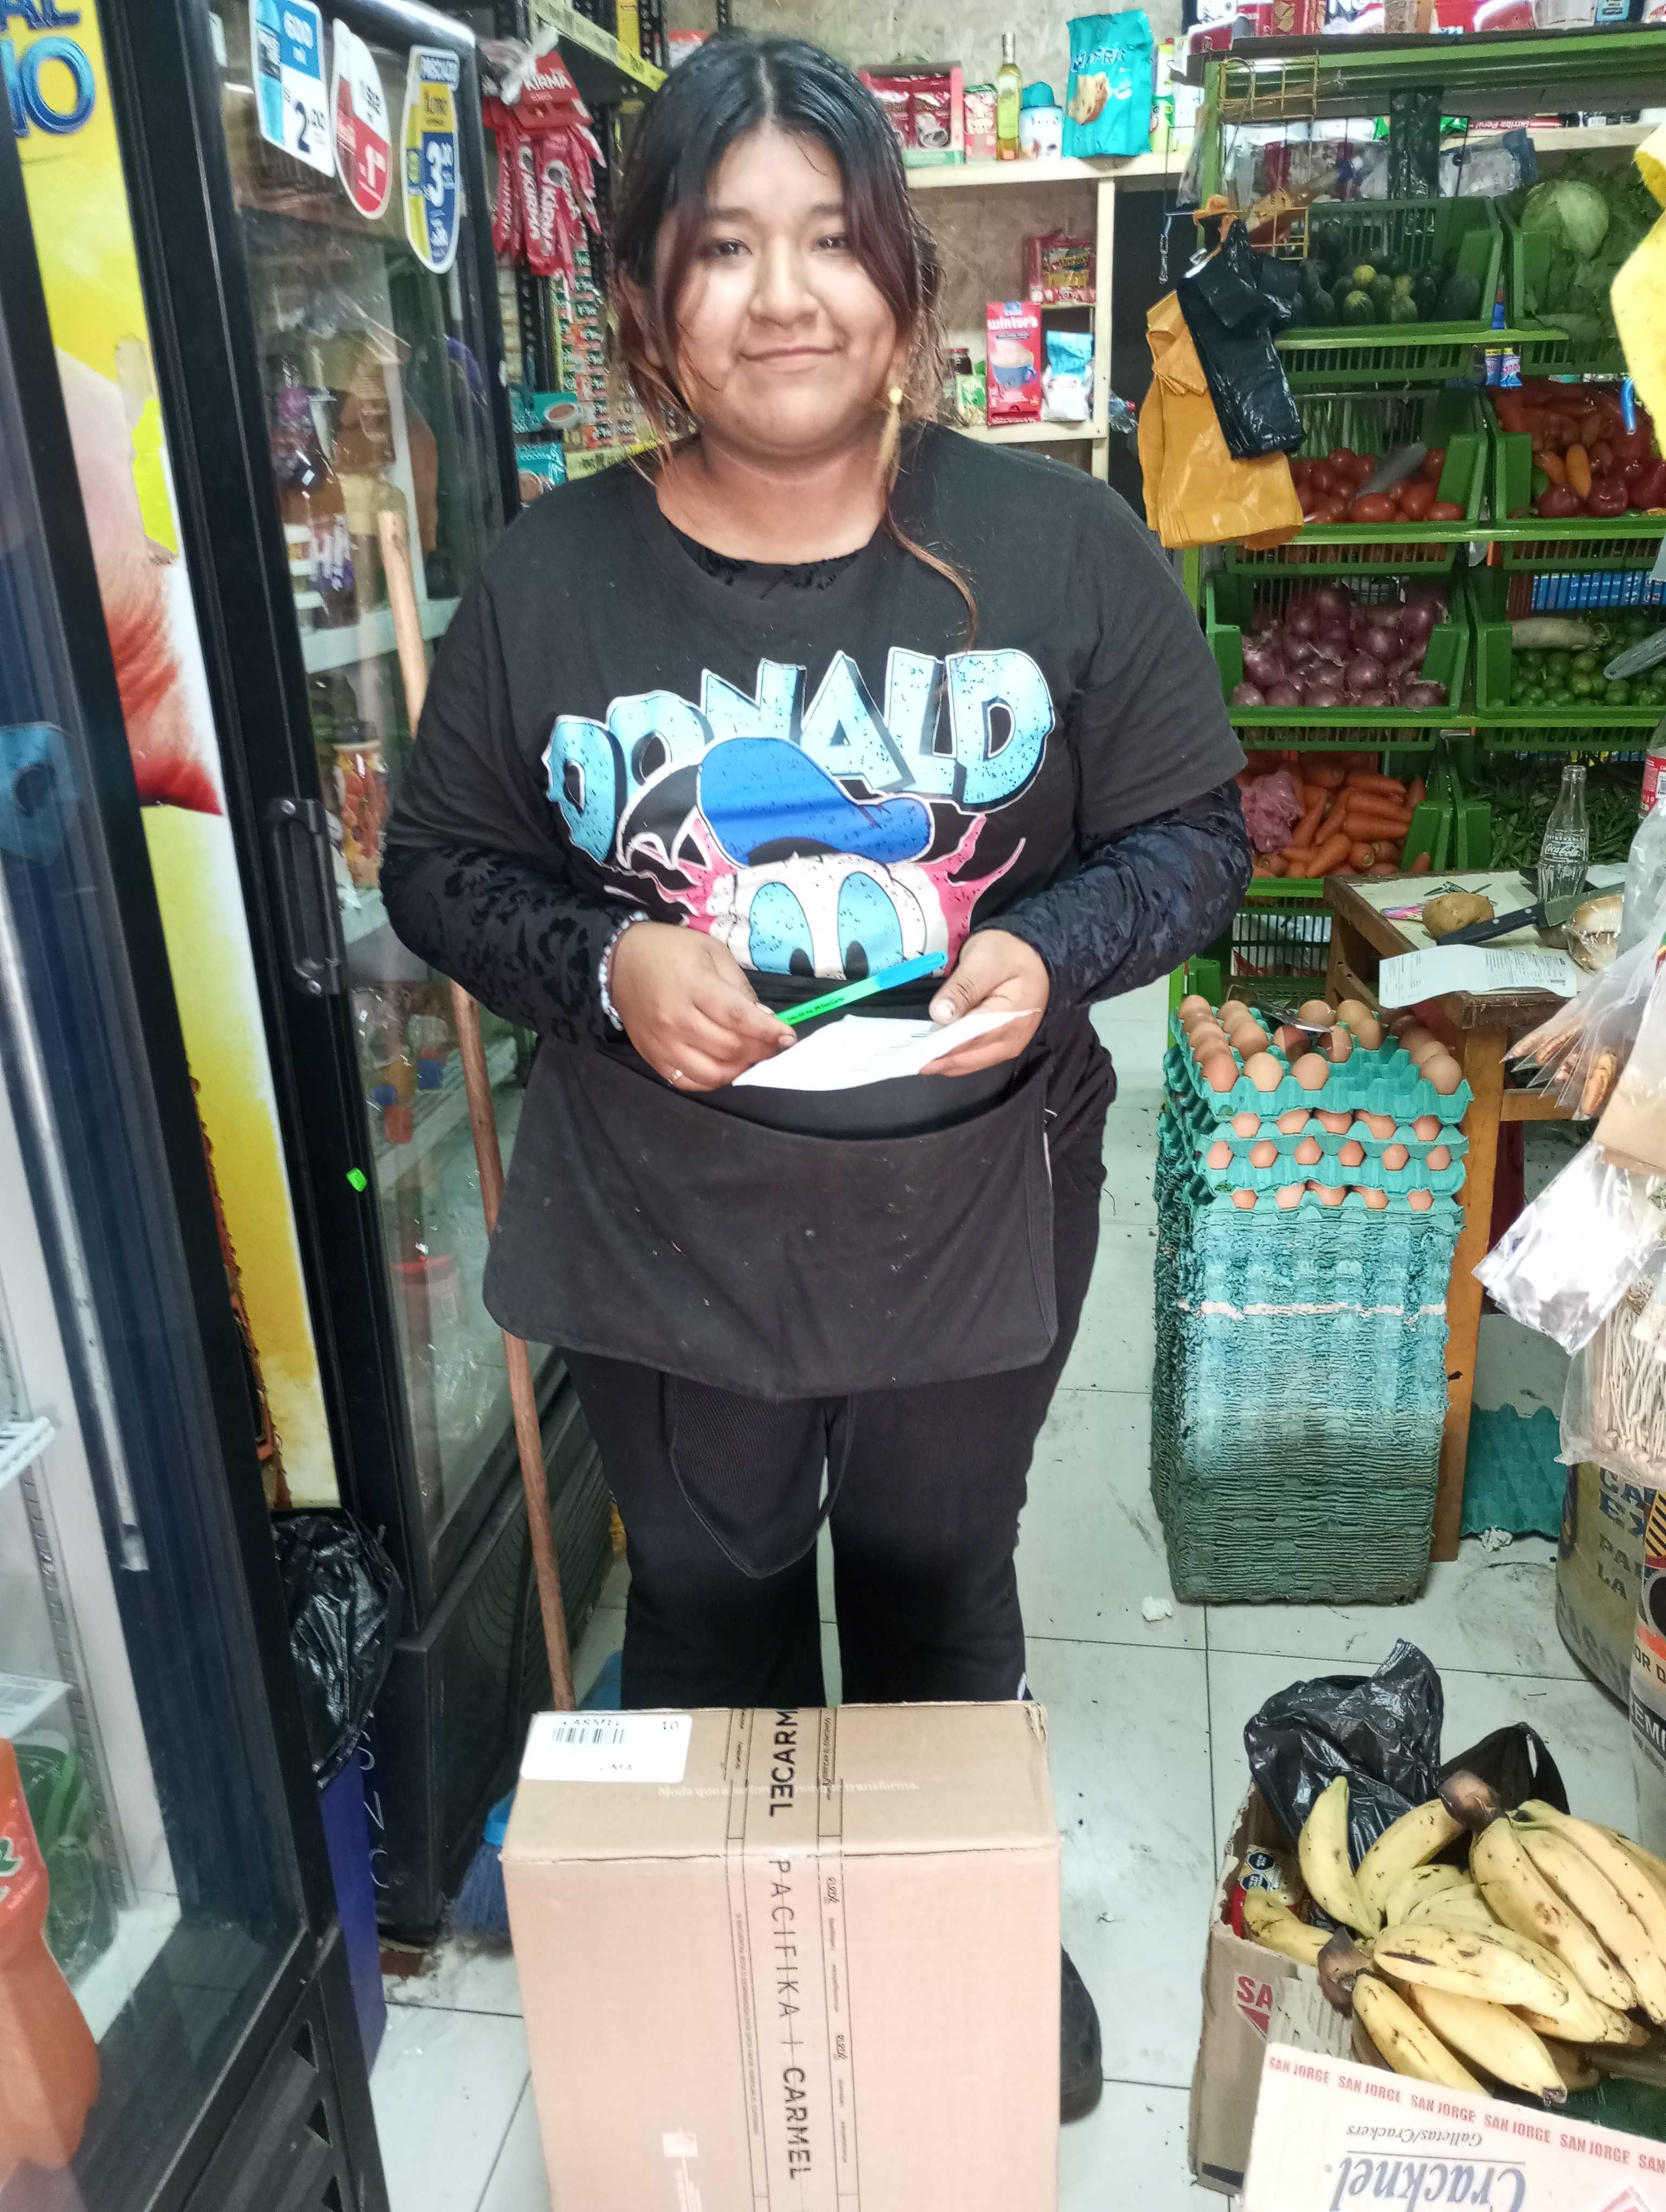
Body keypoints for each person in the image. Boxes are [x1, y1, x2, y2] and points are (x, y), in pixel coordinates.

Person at [383, 32, 1250, 2122]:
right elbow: (439, 868)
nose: (783, 297)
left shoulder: (1059, 548)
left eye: (832, 240)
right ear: (642, 297)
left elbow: (1194, 840)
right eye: (722, 247)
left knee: (942, 1595)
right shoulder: (553, 579)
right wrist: (606, 962)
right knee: (711, 1604)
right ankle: (730, 2002)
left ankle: (953, 1952)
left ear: (904, 283)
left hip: (971, 1211)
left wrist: (1054, 945)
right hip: (667, 1229)